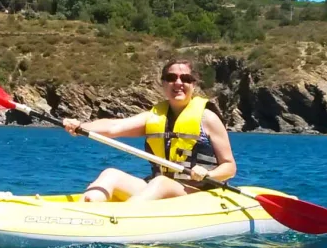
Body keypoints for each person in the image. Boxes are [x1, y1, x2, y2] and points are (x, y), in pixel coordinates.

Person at [63, 58, 237, 202]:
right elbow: (114, 126)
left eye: (185, 78)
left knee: (161, 182)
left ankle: (121, 218)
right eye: (171, 78)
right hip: (157, 188)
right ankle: (85, 208)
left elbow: (229, 167)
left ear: (193, 84)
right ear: (163, 83)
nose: (178, 82)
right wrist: (81, 126)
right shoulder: (153, 117)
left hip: (196, 193)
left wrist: (209, 173)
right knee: (110, 174)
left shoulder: (208, 119)